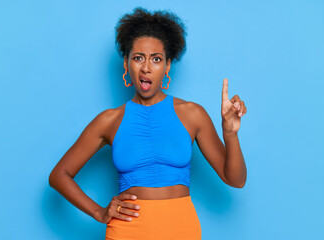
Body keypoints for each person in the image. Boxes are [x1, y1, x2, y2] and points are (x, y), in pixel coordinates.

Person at [49, 7, 247, 240]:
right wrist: (99, 212)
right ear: (126, 64)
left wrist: (230, 134)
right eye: (138, 58)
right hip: (127, 232)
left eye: (156, 59)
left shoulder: (192, 114)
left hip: (181, 230)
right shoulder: (109, 121)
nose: (146, 67)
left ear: (167, 66)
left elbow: (236, 180)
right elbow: (59, 175)